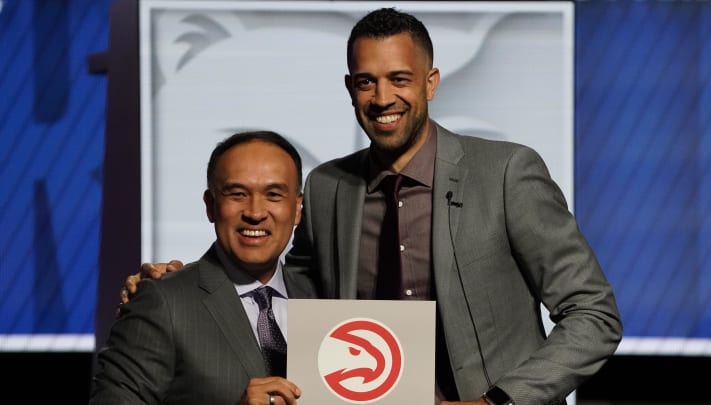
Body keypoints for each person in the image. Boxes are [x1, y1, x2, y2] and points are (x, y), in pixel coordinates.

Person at [124, 7, 623, 405]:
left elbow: (593, 314)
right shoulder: (326, 187)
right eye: (366, 81)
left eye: (400, 79)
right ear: (350, 88)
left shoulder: (506, 172)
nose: (383, 97)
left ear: (430, 82)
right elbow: (286, 289)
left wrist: (501, 401)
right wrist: (183, 286)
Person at [92, 131, 316, 405]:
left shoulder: (321, 298)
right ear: (211, 206)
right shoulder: (162, 301)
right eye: (237, 194)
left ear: (297, 209)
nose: (255, 213)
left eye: (273, 195)